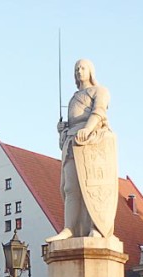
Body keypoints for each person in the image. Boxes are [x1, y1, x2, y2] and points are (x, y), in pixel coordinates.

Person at [49, 59, 118, 243]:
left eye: (83, 68)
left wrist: (87, 129)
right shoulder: (73, 97)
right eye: (76, 68)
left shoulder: (100, 91)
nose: (79, 71)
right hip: (73, 142)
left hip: (92, 140)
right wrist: (62, 130)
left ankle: (97, 227)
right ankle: (70, 228)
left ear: (91, 71)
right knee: (70, 187)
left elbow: (99, 111)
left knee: (92, 187)